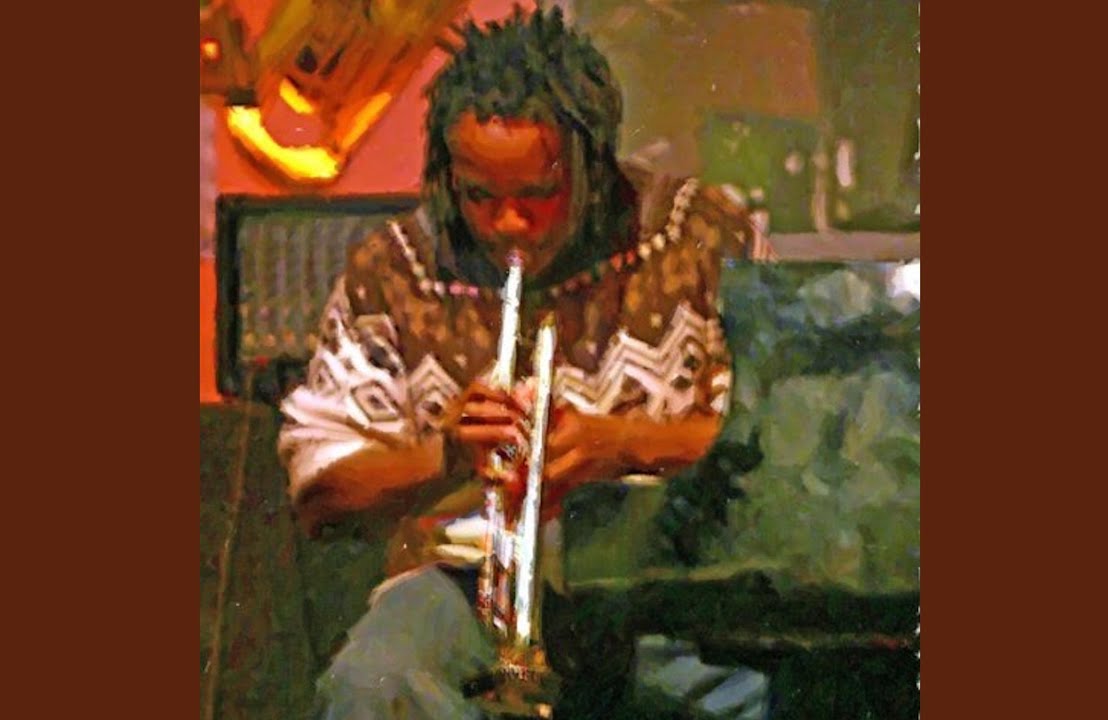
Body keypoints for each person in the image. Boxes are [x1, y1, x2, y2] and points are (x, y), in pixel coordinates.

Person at [277, 7, 754, 718]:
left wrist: (621, 444)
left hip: (673, 583)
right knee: (372, 685)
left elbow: (782, 449)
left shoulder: (701, 235)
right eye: (478, 195)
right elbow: (322, 496)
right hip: (463, 586)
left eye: (537, 194)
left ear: (593, 165)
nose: (507, 223)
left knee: (769, 691)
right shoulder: (394, 269)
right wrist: (446, 456)